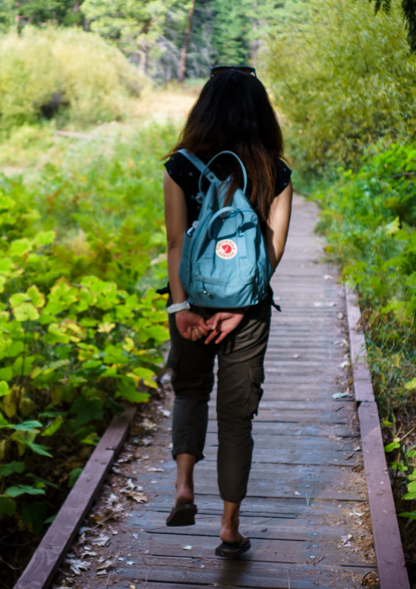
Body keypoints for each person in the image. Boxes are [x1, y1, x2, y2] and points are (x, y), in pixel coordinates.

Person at [161, 66, 293, 559]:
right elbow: (273, 248)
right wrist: (243, 308)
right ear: (261, 111)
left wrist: (182, 308)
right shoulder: (273, 172)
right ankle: (230, 529)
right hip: (249, 311)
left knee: (191, 390)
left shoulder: (181, 166)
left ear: (205, 108)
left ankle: (183, 486)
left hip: (190, 305)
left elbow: (176, 242)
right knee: (237, 416)